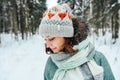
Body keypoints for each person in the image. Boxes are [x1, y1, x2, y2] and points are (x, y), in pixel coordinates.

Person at [39, 4, 115, 80]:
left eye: (51, 38)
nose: (47, 45)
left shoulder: (97, 59)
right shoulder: (51, 64)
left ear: (66, 36)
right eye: (45, 39)